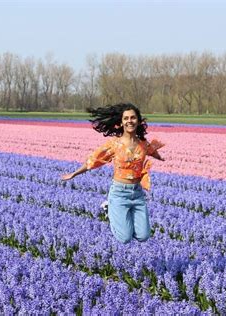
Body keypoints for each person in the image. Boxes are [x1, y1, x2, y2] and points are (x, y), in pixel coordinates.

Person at [61, 103, 165, 244]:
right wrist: (75, 173)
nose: (130, 121)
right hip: (119, 192)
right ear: (121, 123)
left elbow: (151, 151)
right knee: (124, 238)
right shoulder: (114, 144)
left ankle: (118, 213)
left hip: (137, 193)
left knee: (143, 236)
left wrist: (160, 157)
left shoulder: (143, 143)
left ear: (138, 121)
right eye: (126, 118)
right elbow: (94, 160)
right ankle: (108, 208)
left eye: (133, 118)